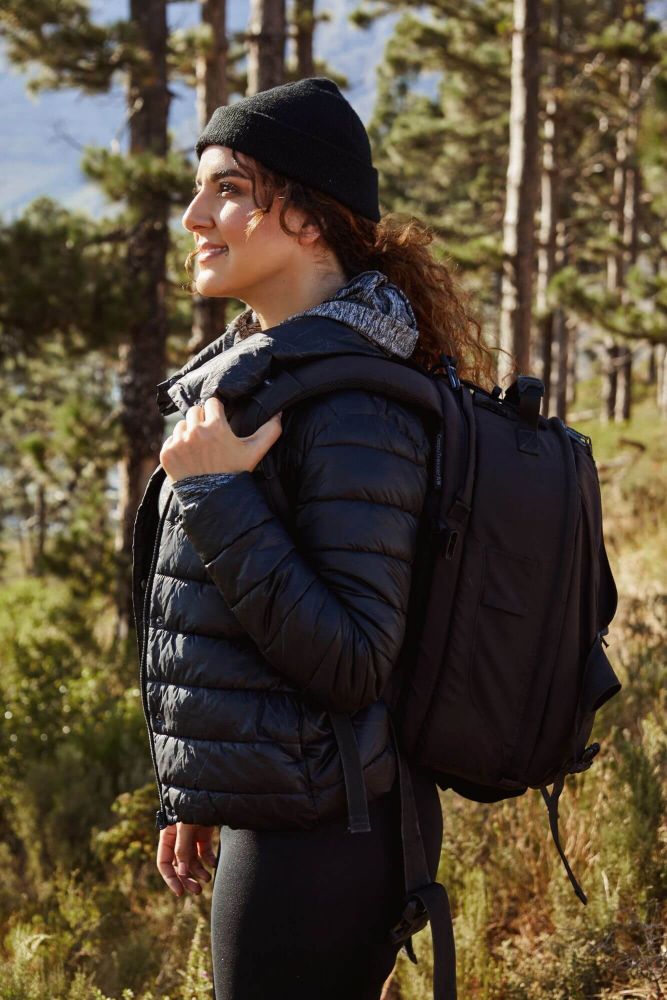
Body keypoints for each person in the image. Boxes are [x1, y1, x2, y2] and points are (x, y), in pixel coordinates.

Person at [132, 76, 495, 1000]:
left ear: (305, 217)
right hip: (303, 810)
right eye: (199, 189)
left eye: (228, 189)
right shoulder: (280, 379)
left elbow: (352, 658)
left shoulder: (352, 405)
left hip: (331, 840)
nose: (193, 217)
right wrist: (211, 779)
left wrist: (215, 492)